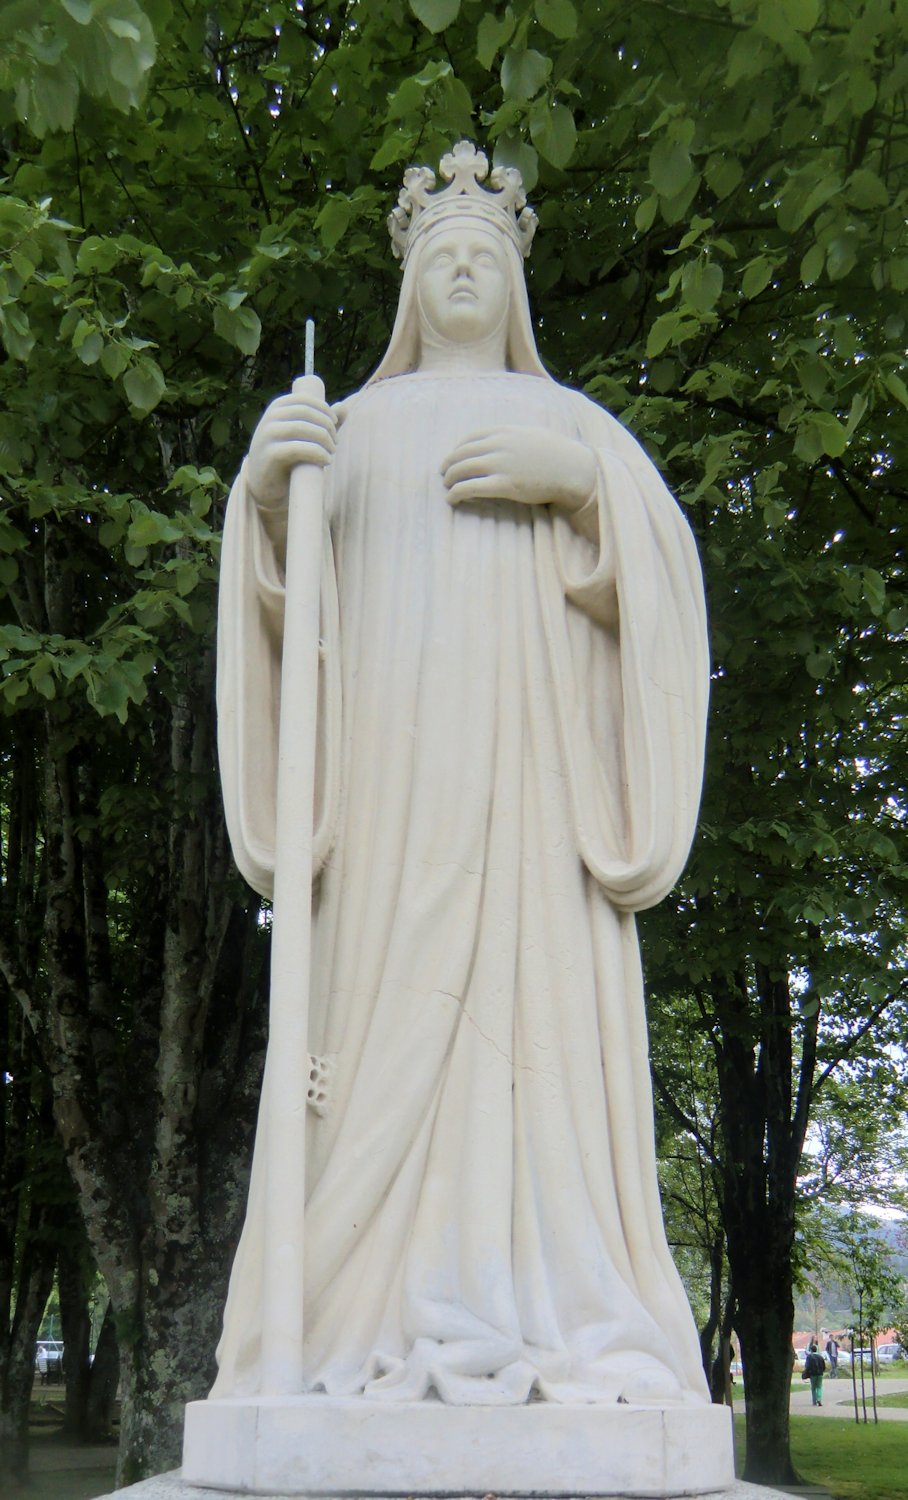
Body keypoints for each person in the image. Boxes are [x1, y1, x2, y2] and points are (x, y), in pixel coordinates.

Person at [212, 141, 710, 1408]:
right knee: (378, 1027)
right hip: (389, 792)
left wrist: (586, 487)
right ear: (407, 287)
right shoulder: (353, 431)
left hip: (535, 788)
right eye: (444, 253)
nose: (466, 269)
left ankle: (550, 1296)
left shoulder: (574, 426)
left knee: (532, 1031)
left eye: (486, 253)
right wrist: (268, 498)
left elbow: (662, 582)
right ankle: (343, 1321)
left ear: (518, 287)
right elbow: (284, 616)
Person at [805, 1340, 825, 1406]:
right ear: (816, 1350)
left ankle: (814, 1401)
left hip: (813, 1374)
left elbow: (807, 1366)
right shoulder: (820, 1357)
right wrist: (822, 1371)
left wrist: (807, 1373)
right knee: (819, 1387)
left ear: (811, 1350)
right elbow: (824, 1366)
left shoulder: (809, 1357)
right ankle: (819, 1399)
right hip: (820, 1374)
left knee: (813, 1388)